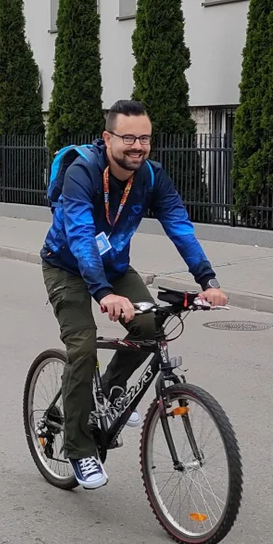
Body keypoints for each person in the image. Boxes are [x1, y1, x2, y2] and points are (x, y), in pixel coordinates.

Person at [40, 100, 228, 490]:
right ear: (108, 138)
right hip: (67, 267)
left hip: (115, 269)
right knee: (83, 346)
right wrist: (103, 292)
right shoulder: (83, 173)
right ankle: (79, 450)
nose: (137, 146)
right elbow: (79, 234)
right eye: (128, 138)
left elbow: (179, 225)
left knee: (148, 327)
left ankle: (108, 395)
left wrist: (207, 280)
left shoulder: (152, 177)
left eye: (144, 138)